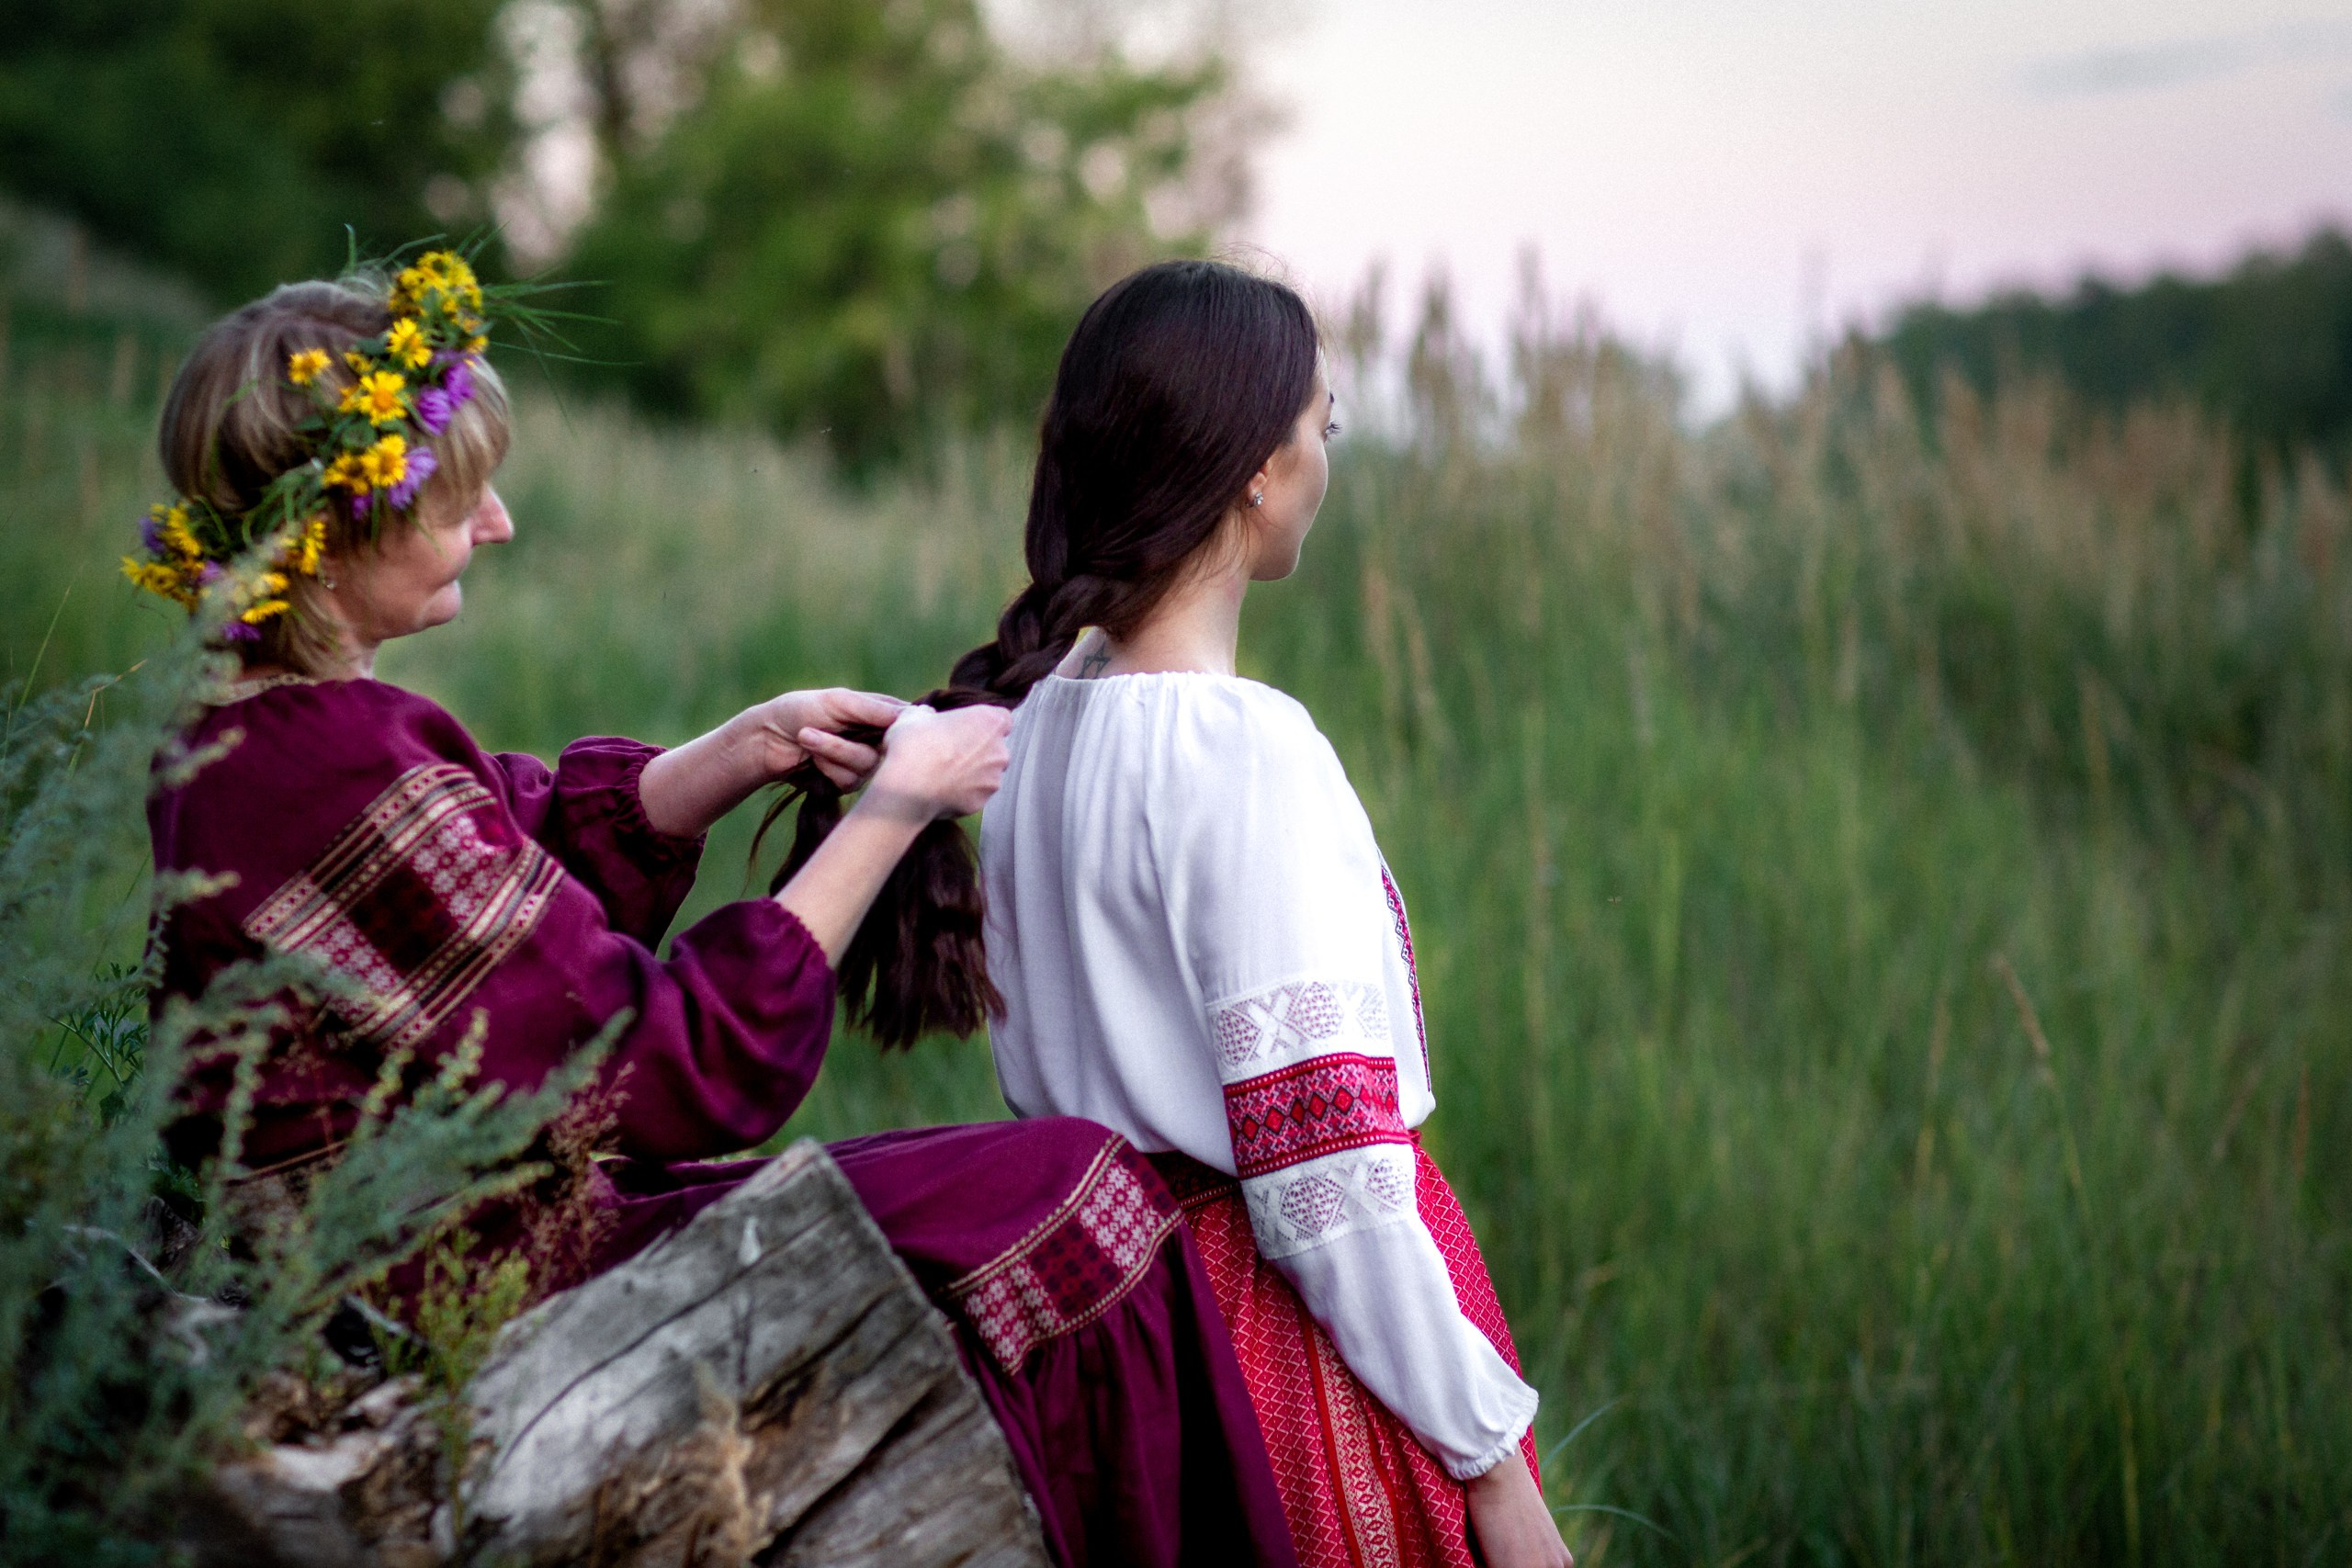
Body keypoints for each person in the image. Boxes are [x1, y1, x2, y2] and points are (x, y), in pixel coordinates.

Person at [134, 255, 1294, 1568]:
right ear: (349, 525)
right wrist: (891, 816)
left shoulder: (255, 734)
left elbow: (499, 880)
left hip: (451, 1244)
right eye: (462, 500)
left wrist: (738, 750)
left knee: (1028, 1201)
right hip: (468, 1288)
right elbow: (657, 1063)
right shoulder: (327, 761)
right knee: (1080, 1198)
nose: (500, 522)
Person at [811, 259, 1572, 1567]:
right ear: (1257, 471)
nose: (1325, 463)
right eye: (1320, 428)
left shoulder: (1033, 728)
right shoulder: (1242, 751)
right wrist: (1491, 1467)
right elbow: (1324, 1175)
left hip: (1113, 1321)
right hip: (1275, 1345)